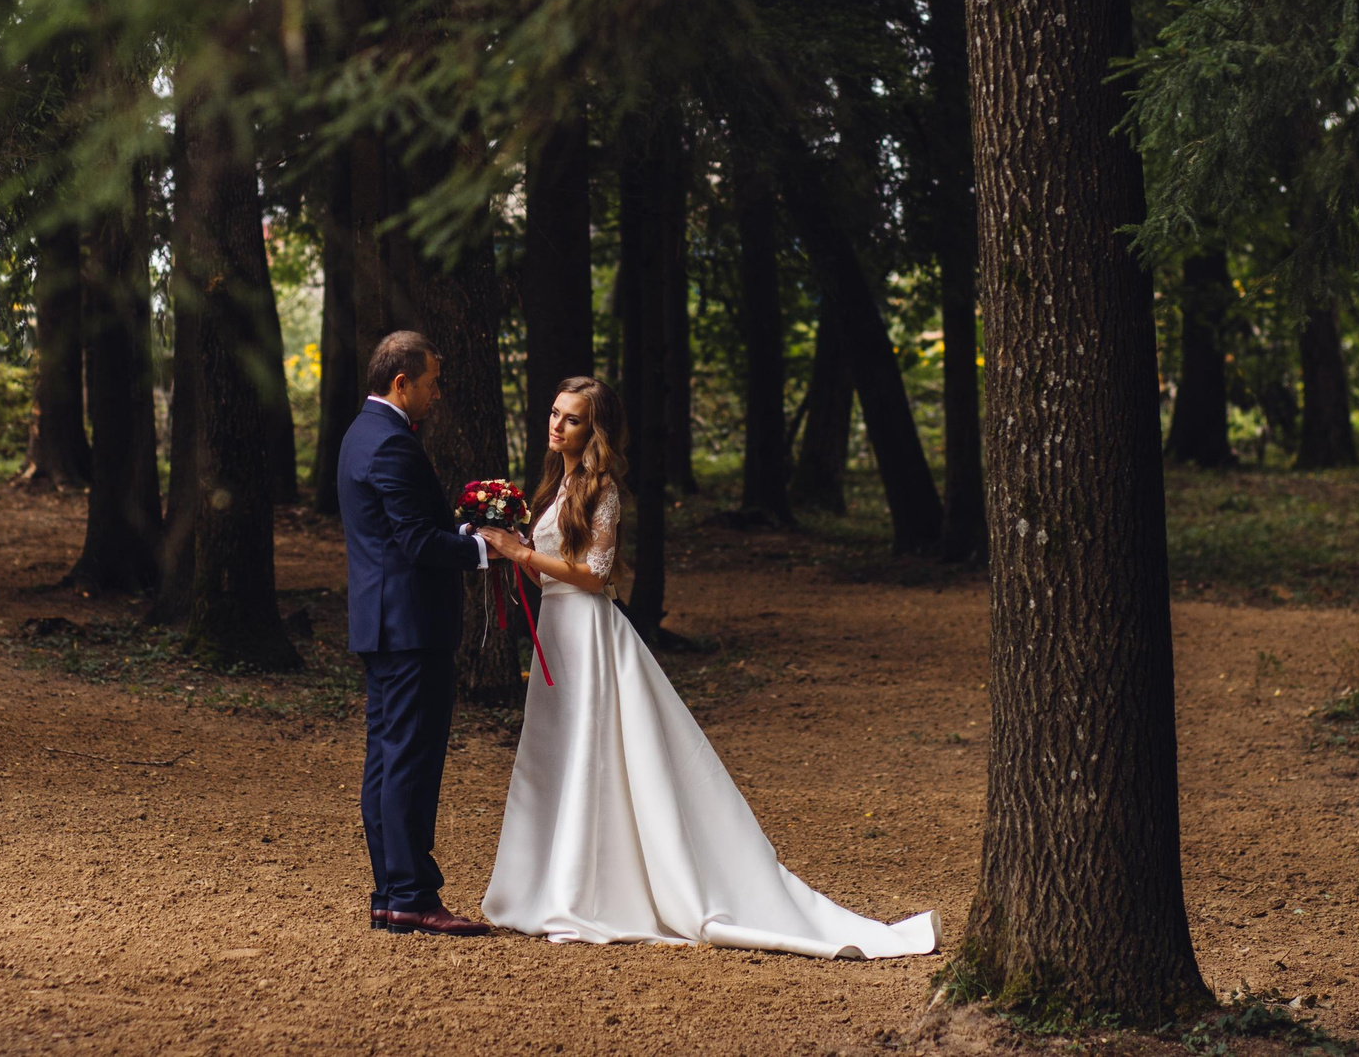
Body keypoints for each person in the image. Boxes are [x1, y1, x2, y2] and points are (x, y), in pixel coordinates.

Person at [479, 375, 938, 959]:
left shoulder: (604, 489)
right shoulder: (556, 483)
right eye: (554, 412)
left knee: (591, 753)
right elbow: (550, 566)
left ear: (593, 430)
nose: (556, 424)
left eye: (571, 418)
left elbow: (595, 574)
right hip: (555, 630)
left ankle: (582, 895)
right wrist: (505, 547)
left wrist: (521, 551)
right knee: (556, 753)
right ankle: (542, 886)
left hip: (589, 633)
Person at [337, 329, 496, 936]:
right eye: (432, 383)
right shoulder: (392, 445)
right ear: (400, 383)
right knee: (409, 762)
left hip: (384, 624)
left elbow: (397, 531)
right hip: (409, 628)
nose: (439, 394)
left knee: (387, 760)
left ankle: (392, 893)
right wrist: (486, 548)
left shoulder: (362, 434)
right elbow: (415, 543)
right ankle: (409, 894)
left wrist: (463, 532)